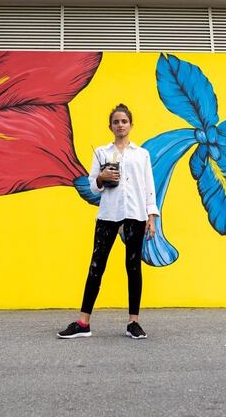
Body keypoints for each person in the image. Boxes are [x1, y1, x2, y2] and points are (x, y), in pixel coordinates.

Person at [58, 103, 159, 340]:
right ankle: (83, 322)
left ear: (131, 125)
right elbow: (94, 185)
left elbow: (149, 187)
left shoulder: (141, 154)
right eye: (116, 122)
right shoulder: (102, 153)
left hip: (135, 215)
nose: (120, 125)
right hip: (108, 215)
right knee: (96, 267)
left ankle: (133, 322)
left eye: (124, 121)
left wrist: (152, 216)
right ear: (110, 126)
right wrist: (102, 177)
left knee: (133, 268)